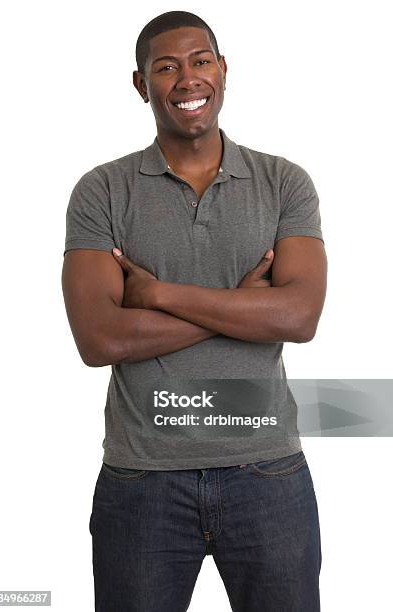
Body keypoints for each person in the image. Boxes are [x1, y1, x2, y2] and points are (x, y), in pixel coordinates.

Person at [61, 10, 327, 612]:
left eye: (201, 61)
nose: (188, 79)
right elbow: (99, 339)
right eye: (167, 67)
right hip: (140, 481)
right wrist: (243, 305)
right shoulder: (102, 191)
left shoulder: (285, 183)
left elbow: (299, 317)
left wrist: (158, 294)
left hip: (269, 474)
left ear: (224, 70)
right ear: (141, 84)